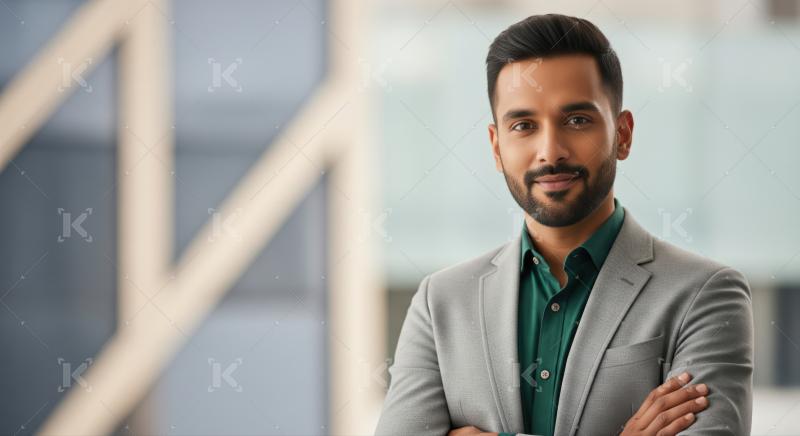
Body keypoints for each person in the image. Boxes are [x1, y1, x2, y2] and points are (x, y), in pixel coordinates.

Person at [374, 13, 753, 436]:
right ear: (497, 146)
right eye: (523, 125)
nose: (550, 151)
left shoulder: (704, 294)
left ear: (622, 134)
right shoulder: (440, 302)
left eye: (576, 120)